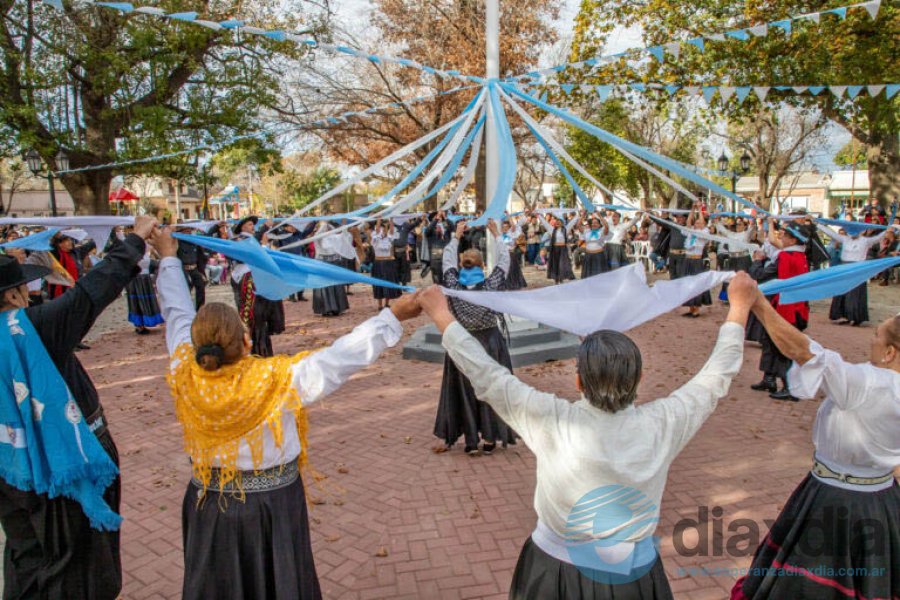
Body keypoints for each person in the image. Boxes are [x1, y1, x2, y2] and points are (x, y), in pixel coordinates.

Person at [417, 272, 758, 599]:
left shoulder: (551, 419)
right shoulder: (665, 422)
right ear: (638, 380)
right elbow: (716, 376)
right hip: (631, 576)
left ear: (578, 382)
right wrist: (739, 308)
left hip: (553, 574)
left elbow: (487, 373)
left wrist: (441, 314)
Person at [150, 226, 420, 600]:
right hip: (271, 508)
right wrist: (392, 316)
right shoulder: (276, 380)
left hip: (210, 504)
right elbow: (337, 360)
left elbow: (177, 309)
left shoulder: (184, 365)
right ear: (246, 341)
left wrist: (167, 255)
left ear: (197, 345)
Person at [0, 216, 156, 600]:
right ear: (16, 292)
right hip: (63, 463)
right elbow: (90, 293)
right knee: (77, 561)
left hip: (11, 467)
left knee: (26, 552)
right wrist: (134, 239)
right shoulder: (32, 328)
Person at [731, 299, 899, 600]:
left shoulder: (872, 384)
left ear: (890, 352)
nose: (871, 340)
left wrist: (756, 303)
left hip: (834, 498)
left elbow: (805, 352)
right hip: (883, 498)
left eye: (877, 335)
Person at [434, 220, 517, 455]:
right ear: (482, 265)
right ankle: (490, 438)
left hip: (462, 343)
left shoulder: (452, 284)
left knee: (465, 389)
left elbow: (447, 260)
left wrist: (456, 236)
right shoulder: (491, 284)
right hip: (489, 342)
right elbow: (504, 261)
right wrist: (498, 235)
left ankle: (471, 440)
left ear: (462, 264)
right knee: (491, 387)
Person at [748, 223, 810, 400]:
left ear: (793, 240)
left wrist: (758, 261)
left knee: (782, 347)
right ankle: (769, 379)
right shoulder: (800, 255)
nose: (781, 238)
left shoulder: (787, 256)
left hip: (785, 310)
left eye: (784, 235)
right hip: (792, 308)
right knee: (769, 342)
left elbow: (760, 276)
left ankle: (790, 387)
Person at [817, 223, 889, 326]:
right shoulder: (845, 239)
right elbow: (831, 233)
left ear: (861, 231)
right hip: (845, 267)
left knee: (855, 293)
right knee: (843, 292)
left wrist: (888, 229)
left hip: (858, 268)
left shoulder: (866, 241)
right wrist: (819, 224)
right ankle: (844, 315)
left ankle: (856, 318)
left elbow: (878, 237)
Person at [312, 221, 350, 317]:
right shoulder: (318, 238)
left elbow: (344, 236)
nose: (327, 229)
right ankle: (325, 309)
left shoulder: (334, 238)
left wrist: (344, 225)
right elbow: (318, 235)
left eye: (328, 228)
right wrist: (324, 223)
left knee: (335, 285)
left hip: (334, 263)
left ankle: (337, 307)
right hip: (322, 264)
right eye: (325, 228)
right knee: (324, 286)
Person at [681, 205, 712, 317]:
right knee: (688, 284)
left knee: (696, 284)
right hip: (688, 260)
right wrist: (692, 209)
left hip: (696, 261)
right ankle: (691, 308)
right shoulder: (691, 232)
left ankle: (697, 309)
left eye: (700, 223)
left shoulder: (704, 234)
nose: (697, 224)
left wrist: (700, 210)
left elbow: (702, 224)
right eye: (696, 223)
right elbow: (689, 222)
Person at [126, 248, 164, 335]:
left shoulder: (146, 250)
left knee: (145, 301)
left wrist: (154, 252)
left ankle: (142, 324)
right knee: (138, 302)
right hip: (136, 279)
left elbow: (158, 261)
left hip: (144, 278)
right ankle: (139, 325)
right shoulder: (130, 250)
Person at [370, 219, 402, 310]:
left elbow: (391, 230)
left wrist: (391, 219)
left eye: (384, 229)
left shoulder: (389, 238)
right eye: (381, 229)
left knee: (388, 282)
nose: (383, 231)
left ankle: (387, 303)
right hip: (378, 263)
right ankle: (380, 304)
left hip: (388, 262)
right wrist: (379, 218)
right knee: (378, 283)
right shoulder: (376, 239)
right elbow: (377, 230)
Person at [538, 212, 578, 284]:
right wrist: (539, 216)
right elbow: (545, 223)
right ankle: (556, 279)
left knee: (562, 264)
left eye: (559, 222)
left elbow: (572, 223)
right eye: (557, 222)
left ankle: (561, 278)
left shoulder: (565, 229)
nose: (558, 223)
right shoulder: (552, 230)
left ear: (562, 223)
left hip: (562, 249)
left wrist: (578, 216)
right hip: (555, 249)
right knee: (555, 264)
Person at [176, 231, 208, 310]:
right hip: (184, 269)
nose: (188, 232)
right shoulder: (178, 242)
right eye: (186, 230)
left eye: (189, 230)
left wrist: (202, 271)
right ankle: (185, 308)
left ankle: (200, 308)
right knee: (186, 288)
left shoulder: (194, 242)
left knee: (201, 286)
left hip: (194, 268)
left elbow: (201, 257)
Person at [424, 212, 452, 284]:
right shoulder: (430, 230)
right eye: (436, 217)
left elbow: (452, 227)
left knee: (447, 279)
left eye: (439, 217)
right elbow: (427, 231)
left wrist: (445, 218)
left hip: (446, 256)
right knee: (437, 281)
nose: (439, 218)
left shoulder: (444, 227)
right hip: (436, 257)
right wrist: (436, 219)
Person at [500, 218, 527, 290]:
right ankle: (506, 284)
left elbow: (513, 225)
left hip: (511, 254)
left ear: (509, 228)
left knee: (513, 269)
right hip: (504, 255)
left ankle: (515, 283)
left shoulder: (511, 234)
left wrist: (508, 215)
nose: (505, 228)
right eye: (503, 227)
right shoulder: (501, 235)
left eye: (506, 227)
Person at [580, 214, 610, 279]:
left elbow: (606, 226)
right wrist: (583, 214)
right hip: (588, 255)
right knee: (588, 276)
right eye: (593, 223)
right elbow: (578, 225)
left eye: (596, 223)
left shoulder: (602, 231)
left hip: (599, 256)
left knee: (599, 275)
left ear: (599, 225)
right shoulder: (586, 231)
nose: (594, 224)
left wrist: (599, 215)